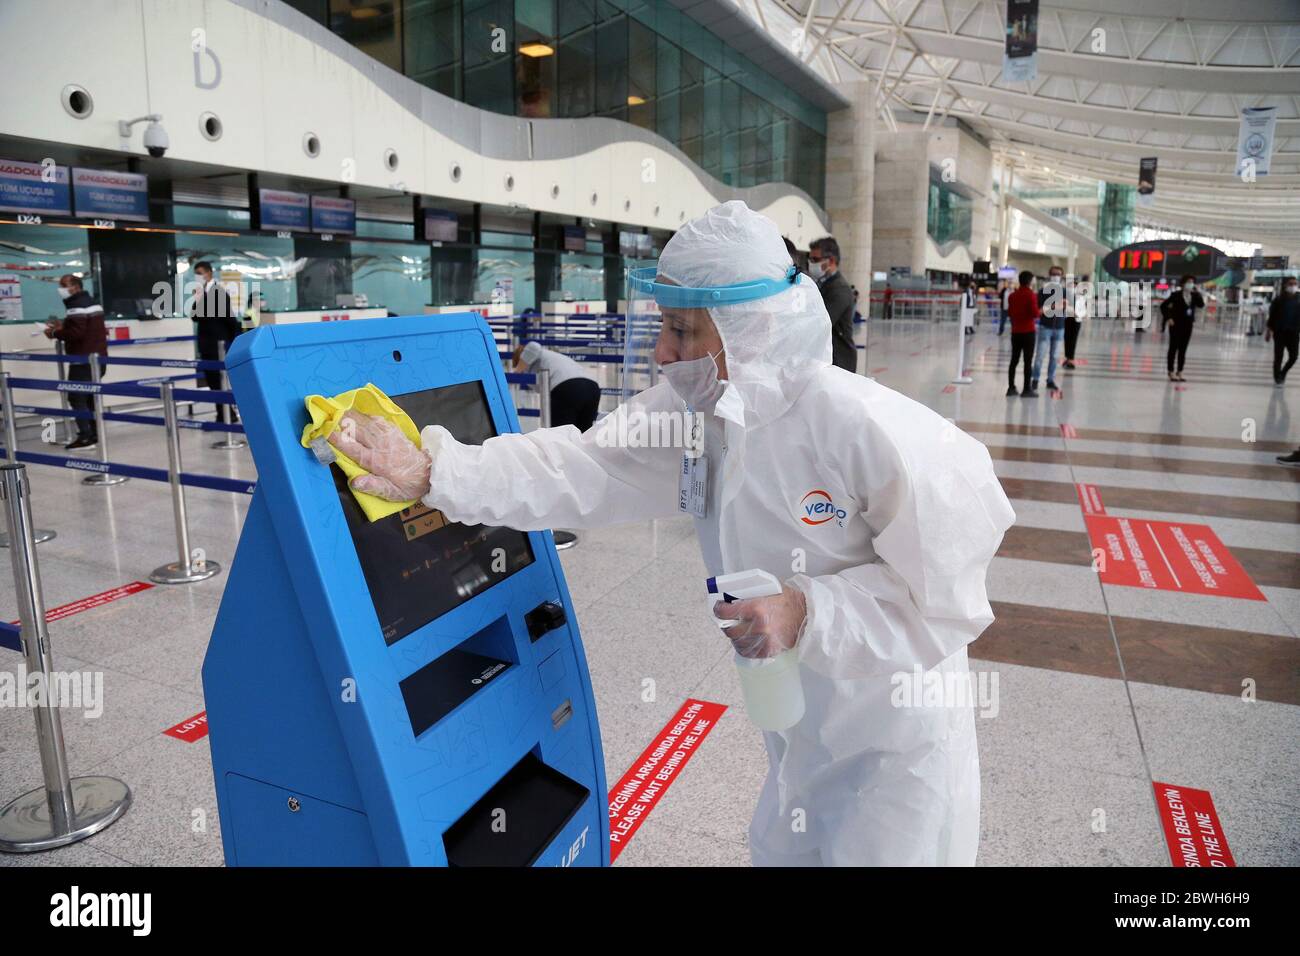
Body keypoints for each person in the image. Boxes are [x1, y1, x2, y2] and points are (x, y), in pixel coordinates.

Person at [329, 201, 1015, 866]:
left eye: (682, 330)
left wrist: (808, 609)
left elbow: (943, 601)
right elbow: (580, 466)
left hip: (895, 752)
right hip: (800, 738)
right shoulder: (701, 412)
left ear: (747, 330)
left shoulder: (863, 428)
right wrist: (436, 471)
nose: (661, 351)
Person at [43, 274, 106, 450]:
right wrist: (63, 327)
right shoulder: (90, 301)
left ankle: (86, 437)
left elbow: (77, 333)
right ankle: (94, 434)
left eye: (64, 285)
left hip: (82, 360)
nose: (60, 289)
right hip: (98, 358)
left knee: (77, 397)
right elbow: (83, 328)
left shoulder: (77, 305)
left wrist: (54, 333)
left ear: (76, 287)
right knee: (90, 398)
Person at [189, 261, 242, 422]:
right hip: (206, 343)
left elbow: (228, 319)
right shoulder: (200, 293)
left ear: (209, 273)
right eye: (196, 274)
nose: (198, 277)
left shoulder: (219, 292)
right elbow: (195, 316)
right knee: (212, 380)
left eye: (200, 273)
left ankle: (227, 414)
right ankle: (223, 413)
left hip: (218, 344)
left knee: (219, 380)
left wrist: (232, 342)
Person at [513, 340, 602, 431]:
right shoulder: (550, 358)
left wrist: (517, 372)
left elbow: (533, 346)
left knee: (560, 434)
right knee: (583, 435)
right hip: (592, 388)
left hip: (568, 388)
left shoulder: (535, 352)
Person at [809, 236, 856, 373]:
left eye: (815, 260)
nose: (811, 263)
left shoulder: (839, 289)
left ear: (831, 261)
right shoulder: (825, 284)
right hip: (829, 358)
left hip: (840, 362)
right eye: (810, 259)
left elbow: (821, 322)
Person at [1159, 274, 1203, 382]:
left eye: (1192, 282)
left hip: (1188, 325)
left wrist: (1198, 293)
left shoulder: (1194, 296)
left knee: (1183, 349)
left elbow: (1201, 305)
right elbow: (1163, 306)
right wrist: (1169, 318)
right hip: (1176, 325)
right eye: (1188, 282)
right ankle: (1170, 371)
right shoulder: (1176, 295)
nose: (1190, 284)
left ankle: (1180, 371)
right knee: (1173, 348)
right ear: (1183, 284)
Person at [1032, 265, 1069, 391]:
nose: (1056, 276)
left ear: (1061, 277)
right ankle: (1035, 379)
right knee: (1040, 355)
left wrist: (1066, 306)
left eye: (1058, 274)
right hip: (1045, 327)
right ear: (1049, 275)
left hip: (1059, 328)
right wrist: (1052, 305)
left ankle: (1050, 379)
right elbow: (1038, 311)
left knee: (1054, 357)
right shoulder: (1043, 292)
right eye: (1053, 274)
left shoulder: (1065, 292)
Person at [1006, 270, 1039, 397]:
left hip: (1016, 332)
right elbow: (1035, 314)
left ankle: (1011, 387)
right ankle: (1026, 389)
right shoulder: (1031, 295)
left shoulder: (1012, 296)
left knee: (1014, 360)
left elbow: (1010, 313)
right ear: (1030, 281)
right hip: (1028, 332)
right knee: (1027, 361)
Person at [1266, 276, 1299, 386]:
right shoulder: (1279, 300)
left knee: (1293, 357)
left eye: (1295, 283)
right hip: (1280, 332)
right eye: (1291, 284)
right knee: (1278, 357)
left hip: (1293, 333)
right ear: (1285, 285)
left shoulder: (1299, 299)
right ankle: (1277, 377)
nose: (1293, 286)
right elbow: (1272, 316)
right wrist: (1269, 331)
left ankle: (1283, 372)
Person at [1062, 273, 1083, 366]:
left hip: (1075, 320)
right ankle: (1067, 357)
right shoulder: (1065, 294)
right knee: (1066, 338)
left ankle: (1071, 359)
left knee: (1073, 339)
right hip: (1067, 319)